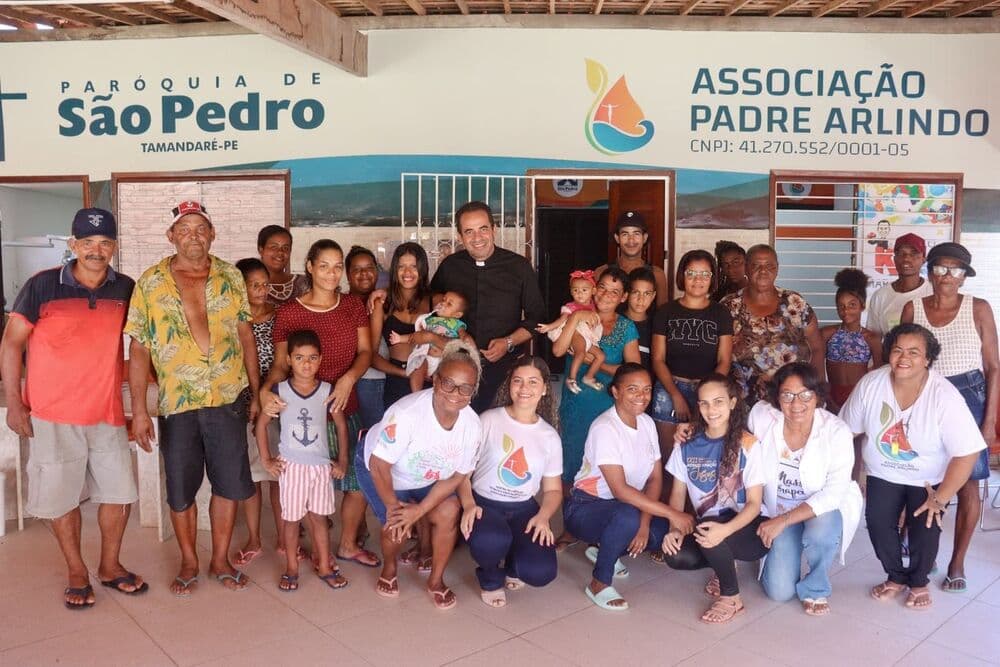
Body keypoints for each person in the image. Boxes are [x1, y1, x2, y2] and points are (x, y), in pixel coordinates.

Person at [0, 208, 146, 609]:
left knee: (118, 494)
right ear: (73, 245)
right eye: (87, 243)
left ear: (114, 246)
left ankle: (110, 566)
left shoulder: (126, 289)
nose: (96, 251)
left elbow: (139, 347)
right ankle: (77, 571)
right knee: (62, 498)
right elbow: (12, 343)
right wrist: (15, 402)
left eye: (104, 243)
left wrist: (139, 407)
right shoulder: (42, 286)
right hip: (52, 413)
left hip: (107, 412)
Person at [126, 200, 260, 595]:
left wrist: (254, 390)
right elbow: (139, 350)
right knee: (181, 487)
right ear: (171, 237)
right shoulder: (150, 283)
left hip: (226, 397)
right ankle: (188, 560)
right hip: (177, 402)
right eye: (184, 230)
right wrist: (138, 412)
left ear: (213, 234)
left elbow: (245, 335)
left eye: (201, 228)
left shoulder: (230, 276)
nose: (193, 236)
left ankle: (219, 559)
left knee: (228, 484)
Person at [840, 324, 986, 610]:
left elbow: (967, 453)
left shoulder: (944, 395)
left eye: (914, 352)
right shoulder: (871, 383)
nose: (903, 358)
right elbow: (844, 430)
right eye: (897, 350)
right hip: (883, 472)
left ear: (928, 358)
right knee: (879, 527)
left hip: (928, 479)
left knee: (926, 527)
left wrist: (940, 498)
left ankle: (919, 582)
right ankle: (895, 577)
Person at [260, 239, 379, 570]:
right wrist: (266, 390)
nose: (332, 272)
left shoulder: (352, 306)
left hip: (343, 405)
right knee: (305, 483)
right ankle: (308, 546)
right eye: (324, 265)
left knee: (355, 480)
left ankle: (347, 544)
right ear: (310, 266)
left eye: (338, 265)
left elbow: (366, 351)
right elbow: (282, 364)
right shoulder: (290, 312)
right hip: (301, 413)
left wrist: (347, 379)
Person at [900, 242, 998, 594]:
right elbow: (904, 364)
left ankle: (957, 560)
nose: (947, 276)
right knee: (918, 476)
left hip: (969, 395)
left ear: (965, 275)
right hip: (924, 395)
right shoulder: (913, 308)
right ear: (929, 271)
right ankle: (924, 552)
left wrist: (989, 422)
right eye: (940, 268)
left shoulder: (979, 308)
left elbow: (993, 367)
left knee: (967, 482)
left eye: (956, 270)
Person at [356, 340, 483, 609]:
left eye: (465, 388)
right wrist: (398, 509)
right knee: (397, 523)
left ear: (473, 391)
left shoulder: (472, 425)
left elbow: (458, 475)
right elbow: (380, 466)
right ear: (435, 380)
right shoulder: (406, 414)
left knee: (449, 511)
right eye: (448, 383)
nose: (455, 393)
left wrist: (421, 509)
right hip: (381, 468)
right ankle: (389, 569)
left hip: (424, 474)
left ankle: (436, 581)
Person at [563, 364, 695, 610]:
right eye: (632, 389)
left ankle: (605, 551)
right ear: (615, 392)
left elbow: (655, 479)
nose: (641, 396)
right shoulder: (605, 428)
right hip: (585, 508)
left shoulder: (646, 423)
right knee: (628, 517)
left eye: (646, 389)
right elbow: (620, 490)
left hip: (626, 509)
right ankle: (599, 582)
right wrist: (671, 512)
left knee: (660, 533)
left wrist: (645, 525)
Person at [748, 362, 862, 616]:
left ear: (818, 396)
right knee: (779, 592)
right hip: (778, 510)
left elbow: (833, 492)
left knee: (821, 530)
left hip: (820, 510)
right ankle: (788, 548)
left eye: (805, 395)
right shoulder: (762, 417)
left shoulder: (836, 431)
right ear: (777, 397)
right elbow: (734, 434)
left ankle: (815, 586)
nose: (796, 403)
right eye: (787, 395)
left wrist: (784, 520)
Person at [662, 373, 768, 624]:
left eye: (719, 402)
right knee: (675, 554)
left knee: (711, 532)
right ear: (698, 406)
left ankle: (732, 597)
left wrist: (725, 531)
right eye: (705, 403)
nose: (712, 410)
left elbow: (754, 504)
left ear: (732, 403)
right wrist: (674, 528)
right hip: (708, 526)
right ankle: (724, 567)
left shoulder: (748, 444)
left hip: (749, 530)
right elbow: (677, 494)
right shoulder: (687, 443)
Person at [460, 356, 562, 608]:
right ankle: (490, 577)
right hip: (485, 504)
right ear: (510, 385)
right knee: (491, 541)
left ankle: (515, 564)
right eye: (518, 381)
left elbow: (553, 489)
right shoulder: (489, 420)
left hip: (524, 507)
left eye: (532, 382)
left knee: (540, 572)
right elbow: (462, 472)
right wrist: (469, 504)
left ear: (545, 388)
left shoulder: (549, 436)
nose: (524, 388)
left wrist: (543, 516)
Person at [431, 200, 547, 412]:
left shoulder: (518, 267)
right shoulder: (450, 266)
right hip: (456, 368)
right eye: (469, 231)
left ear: (494, 230)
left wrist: (509, 341)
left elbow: (537, 318)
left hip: (504, 369)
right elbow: (432, 299)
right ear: (460, 236)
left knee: (496, 430)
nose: (477, 238)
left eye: (483, 229)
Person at [256, 329, 349, 592]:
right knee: (292, 520)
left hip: (320, 466)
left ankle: (325, 566)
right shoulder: (280, 391)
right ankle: (291, 569)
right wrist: (266, 459)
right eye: (299, 358)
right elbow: (261, 424)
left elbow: (341, 427)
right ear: (288, 360)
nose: (306, 364)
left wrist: (341, 461)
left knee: (319, 519)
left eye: (312, 358)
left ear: (320, 359)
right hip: (292, 467)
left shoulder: (328, 391)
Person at [553, 268, 640, 516]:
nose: (606, 295)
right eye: (602, 287)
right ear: (593, 288)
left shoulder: (626, 327)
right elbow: (559, 351)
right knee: (572, 461)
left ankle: (605, 525)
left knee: (608, 466)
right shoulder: (575, 314)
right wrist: (574, 320)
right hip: (577, 403)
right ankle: (571, 524)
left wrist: (597, 363)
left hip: (610, 408)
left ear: (623, 297)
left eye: (615, 291)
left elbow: (631, 371)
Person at [232, 257, 287, 567]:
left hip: (276, 401)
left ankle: (283, 537)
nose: (261, 290)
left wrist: (265, 393)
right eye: (254, 285)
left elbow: (283, 361)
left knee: (278, 472)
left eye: (265, 284)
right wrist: (253, 396)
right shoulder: (230, 318)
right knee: (252, 475)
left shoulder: (279, 317)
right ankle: (254, 538)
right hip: (241, 403)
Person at [651, 249, 733, 452]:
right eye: (691, 273)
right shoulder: (666, 312)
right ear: (682, 276)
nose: (698, 280)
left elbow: (724, 359)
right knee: (669, 453)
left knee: (703, 452)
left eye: (705, 274)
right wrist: (676, 395)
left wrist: (707, 395)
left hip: (709, 391)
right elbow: (658, 359)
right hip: (670, 387)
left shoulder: (721, 313)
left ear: (712, 278)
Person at [722, 244, 825, 400]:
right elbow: (716, 355)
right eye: (756, 265)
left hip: (791, 400)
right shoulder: (729, 306)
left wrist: (817, 390)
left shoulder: (794, 302)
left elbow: (817, 347)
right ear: (746, 269)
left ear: (777, 268)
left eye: (769, 266)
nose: (763, 271)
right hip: (742, 401)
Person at [371, 242, 433, 411]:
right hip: (397, 380)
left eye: (413, 266)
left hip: (430, 379)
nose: (407, 272)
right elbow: (370, 355)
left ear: (422, 269)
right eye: (401, 267)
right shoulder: (383, 303)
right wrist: (405, 373)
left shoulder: (435, 301)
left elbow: (449, 339)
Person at [820, 268, 883, 411]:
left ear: (862, 306)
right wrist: (826, 397)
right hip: (832, 395)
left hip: (860, 394)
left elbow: (879, 373)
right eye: (841, 306)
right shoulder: (827, 334)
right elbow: (816, 365)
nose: (846, 310)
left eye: (852, 305)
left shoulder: (871, 338)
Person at [536, 269, 606, 394]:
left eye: (584, 290)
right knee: (580, 354)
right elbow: (561, 320)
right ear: (571, 292)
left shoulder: (592, 305)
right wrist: (548, 327)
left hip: (588, 337)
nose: (580, 293)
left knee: (601, 356)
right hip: (577, 334)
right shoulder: (570, 307)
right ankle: (571, 378)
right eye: (575, 290)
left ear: (593, 291)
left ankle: (588, 377)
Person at [391, 290, 472, 393]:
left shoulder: (456, 324)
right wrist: (400, 338)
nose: (443, 303)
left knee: (445, 376)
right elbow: (417, 336)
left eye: (449, 304)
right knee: (418, 368)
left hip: (443, 360)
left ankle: (438, 394)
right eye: (443, 300)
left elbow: (462, 334)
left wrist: (465, 336)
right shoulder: (430, 319)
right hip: (427, 357)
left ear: (457, 314)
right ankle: (416, 394)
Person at [346, 245, 388, 430]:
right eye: (357, 269)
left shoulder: (385, 300)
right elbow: (369, 352)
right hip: (366, 380)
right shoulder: (343, 304)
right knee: (372, 433)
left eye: (369, 268)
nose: (364, 274)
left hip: (383, 379)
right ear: (347, 275)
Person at [595, 210, 668, 307]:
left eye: (636, 234)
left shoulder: (657, 274)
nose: (631, 240)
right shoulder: (601, 272)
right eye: (625, 234)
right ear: (617, 238)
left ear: (644, 238)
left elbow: (662, 315)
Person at [866, 233, 932, 338]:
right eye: (901, 253)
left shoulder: (933, 292)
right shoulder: (880, 296)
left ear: (923, 259)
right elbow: (874, 340)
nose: (906, 259)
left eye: (913, 254)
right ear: (894, 259)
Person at [257, 224, 308, 306]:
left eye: (286, 248)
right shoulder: (246, 285)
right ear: (261, 250)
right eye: (274, 247)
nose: (280, 252)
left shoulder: (305, 283)